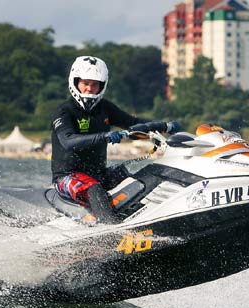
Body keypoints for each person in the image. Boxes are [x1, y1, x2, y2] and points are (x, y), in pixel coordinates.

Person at [51, 56, 179, 223]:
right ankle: (110, 232)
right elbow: (68, 141)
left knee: (138, 178)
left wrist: (165, 126)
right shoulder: (64, 111)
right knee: (93, 188)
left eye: (94, 84)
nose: (89, 88)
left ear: (101, 86)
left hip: (98, 173)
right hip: (67, 176)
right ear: (75, 82)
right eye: (85, 83)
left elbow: (132, 123)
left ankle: (151, 217)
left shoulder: (105, 108)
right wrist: (104, 136)